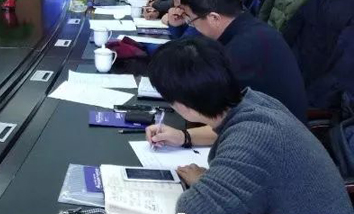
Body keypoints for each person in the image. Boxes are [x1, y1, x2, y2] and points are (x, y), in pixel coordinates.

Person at [145, 37, 353, 214]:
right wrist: (184, 138)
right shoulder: (255, 102)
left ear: (183, 106)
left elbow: (195, 208)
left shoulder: (254, 139)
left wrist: (203, 184)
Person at [179, 0, 308, 123]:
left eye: (191, 20)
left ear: (214, 18)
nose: (192, 25)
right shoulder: (248, 28)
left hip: (274, 132)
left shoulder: (243, 50)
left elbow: (226, 121)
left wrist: (184, 134)